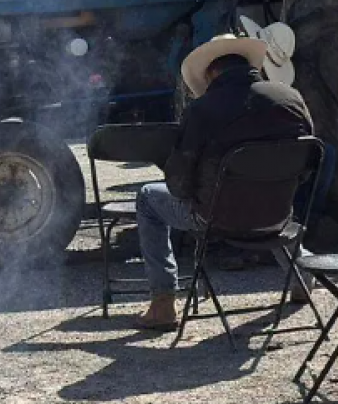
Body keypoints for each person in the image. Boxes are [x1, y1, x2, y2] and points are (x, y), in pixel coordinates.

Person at [134, 33, 314, 331]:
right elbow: (308, 162)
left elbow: (180, 183)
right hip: (278, 215)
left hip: (218, 220)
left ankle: (163, 302)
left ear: (212, 73)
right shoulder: (291, 99)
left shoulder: (203, 110)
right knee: (268, 199)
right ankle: (303, 277)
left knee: (147, 197)